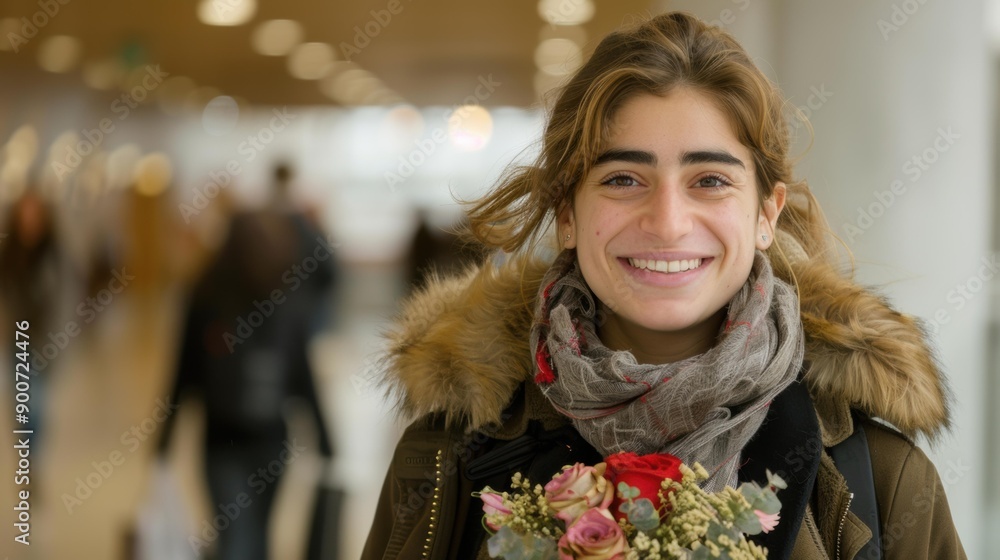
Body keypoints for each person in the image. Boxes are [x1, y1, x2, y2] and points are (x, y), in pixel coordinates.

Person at [361, 12, 965, 560]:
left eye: (709, 180)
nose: (668, 222)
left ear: (766, 215)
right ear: (566, 213)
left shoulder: (878, 477)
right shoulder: (442, 459)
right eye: (623, 178)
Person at [157, 207, 336, 560]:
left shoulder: (282, 299)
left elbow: (300, 373)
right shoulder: (209, 297)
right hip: (234, 444)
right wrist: (162, 437)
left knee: (253, 539)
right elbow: (185, 369)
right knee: (239, 540)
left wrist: (326, 437)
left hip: (255, 443)